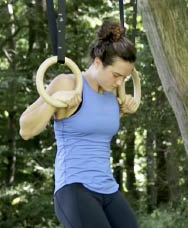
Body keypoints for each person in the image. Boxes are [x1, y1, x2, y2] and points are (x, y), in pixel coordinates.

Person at [19, 20, 139, 228]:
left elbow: (94, 127)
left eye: (125, 77)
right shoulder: (69, 84)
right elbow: (26, 129)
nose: (120, 82)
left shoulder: (114, 93)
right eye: (117, 75)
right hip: (74, 188)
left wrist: (124, 107)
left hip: (108, 188)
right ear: (99, 61)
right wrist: (54, 102)